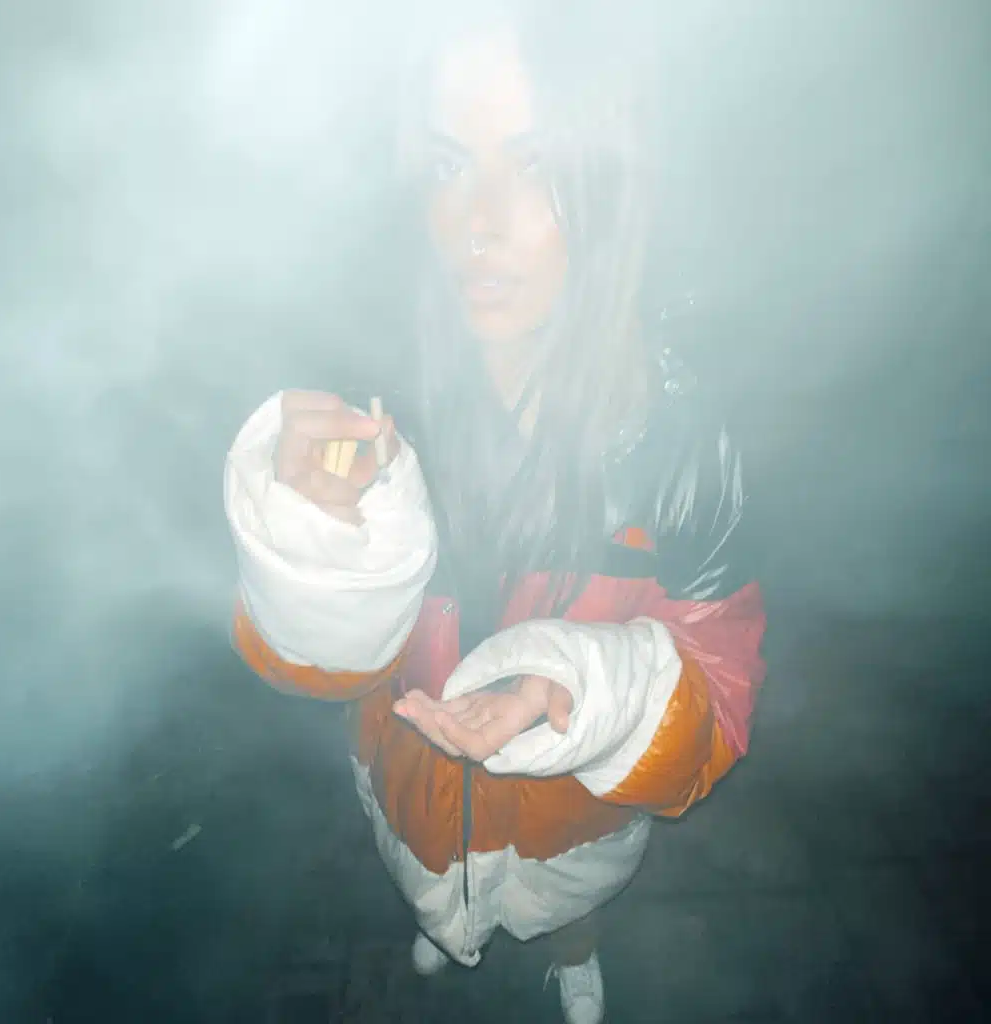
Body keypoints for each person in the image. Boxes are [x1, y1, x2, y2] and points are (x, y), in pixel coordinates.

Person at [224, 4, 766, 1022]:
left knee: (570, 905)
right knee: (434, 894)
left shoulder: (679, 438)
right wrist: (313, 546)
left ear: (611, 183)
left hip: (573, 820)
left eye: (533, 163)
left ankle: (576, 956)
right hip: (413, 795)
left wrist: (579, 696)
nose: (475, 222)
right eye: (446, 165)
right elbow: (311, 667)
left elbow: (720, 694)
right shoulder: (377, 399)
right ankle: (444, 924)